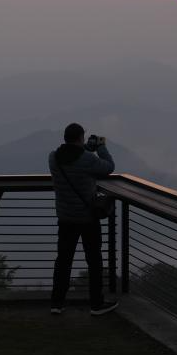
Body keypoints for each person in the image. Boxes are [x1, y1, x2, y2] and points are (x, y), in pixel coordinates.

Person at [48, 122, 118, 316]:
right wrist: (101, 146)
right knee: (94, 261)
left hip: (65, 219)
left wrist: (86, 148)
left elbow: (73, 156)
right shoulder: (87, 160)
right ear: (80, 138)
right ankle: (96, 304)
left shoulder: (53, 158)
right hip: (88, 219)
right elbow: (109, 167)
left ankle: (57, 303)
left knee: (63, 261)